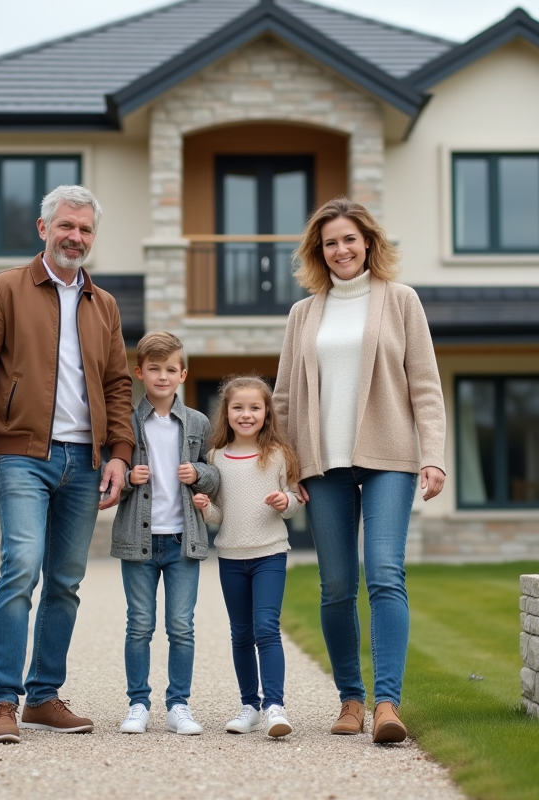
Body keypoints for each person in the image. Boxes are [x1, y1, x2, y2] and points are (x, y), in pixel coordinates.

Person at [0, 185, 135, 744]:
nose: (75, 237)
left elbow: (117, 384)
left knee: (65, 582)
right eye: (66, 226)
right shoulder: (2, 290)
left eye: (84, 229)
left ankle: (42, 697)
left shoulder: (103, 305)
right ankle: (2, 702)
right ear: (43, 229)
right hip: (21, 456)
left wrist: (120, 454)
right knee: (21, 568)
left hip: (85, 461)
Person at [273, 197, 446, 744]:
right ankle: (351, 699)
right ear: (318, 252)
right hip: (323, 466)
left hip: (388, 459)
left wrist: (433, 454)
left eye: (349, 239)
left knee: (385, 573)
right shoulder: (303, 313)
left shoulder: (400, 300)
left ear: (368, 242)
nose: (341, 249)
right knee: (336, 586)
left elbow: (425, 385)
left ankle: (387, 704)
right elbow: (282, 398)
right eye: (330, 242)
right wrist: (287, 466)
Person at [111, 331, 219, 736]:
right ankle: (138, 704)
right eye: (154, 369)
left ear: (183, 375)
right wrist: (127, 478)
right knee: (139, 625)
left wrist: (199, 473)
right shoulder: (125, 422)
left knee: (181, 627)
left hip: (182, 541)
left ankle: (179, 705)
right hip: (138, 541)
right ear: (139, 372)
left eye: (170, 369)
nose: (162, 376)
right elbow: (106, 477)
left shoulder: (198, 423)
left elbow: (215, 474)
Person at [195, 375, 302, 739]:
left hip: (270, 553)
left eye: (255, 407)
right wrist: (205, 508)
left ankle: (274, 706)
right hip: (230, 556)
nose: (246, 414)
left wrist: (285, 501)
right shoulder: (215, 458)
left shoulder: (278, 455)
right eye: (238, 407)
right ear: (226, 412)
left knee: (266, 628)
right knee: (240, 633)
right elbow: (219, 515)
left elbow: (295, 499)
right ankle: (249, 706)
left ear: (266, 412)